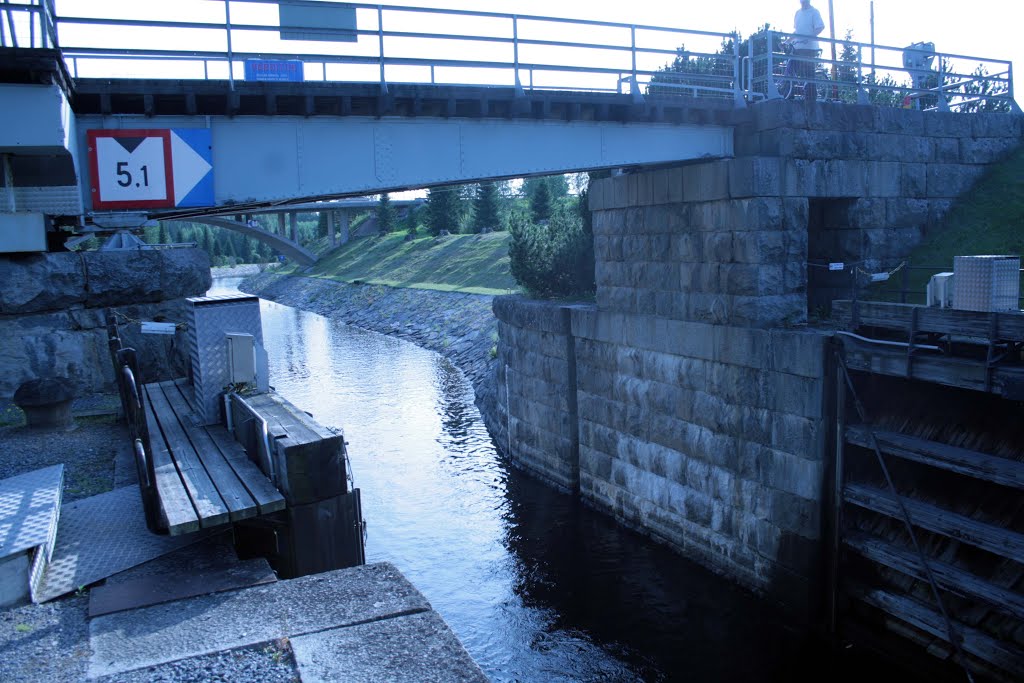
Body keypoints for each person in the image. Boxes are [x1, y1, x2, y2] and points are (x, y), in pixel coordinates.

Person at [792, 0, 825, 99]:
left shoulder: (814, 12)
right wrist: (787, 41)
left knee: (809, 72)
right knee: (792, 67)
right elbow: (796, 31)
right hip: (798, 46)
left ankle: (811, 97)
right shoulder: (797, 13)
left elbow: (820, 27)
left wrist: (809, 37)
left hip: (810, 48)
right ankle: (791, 92)